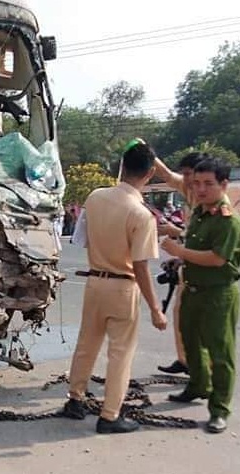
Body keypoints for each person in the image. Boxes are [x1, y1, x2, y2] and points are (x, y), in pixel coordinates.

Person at [61, 140, 167, 434]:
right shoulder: (142, 215)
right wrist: (156, 310)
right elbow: (142, 267)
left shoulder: (95, 198)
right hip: (123, 287)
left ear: (122, 166)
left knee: (86, 345)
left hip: (95, 282)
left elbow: (80, 240)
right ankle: (109, 416)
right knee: (120, 353)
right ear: (148, 175)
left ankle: (75, 400)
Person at [161, 157, 240, 434]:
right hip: (193, 291)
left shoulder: (228, 221)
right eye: (196, 183)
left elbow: (217, 259)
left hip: (217, 295)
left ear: (223, 185)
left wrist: (179, 252)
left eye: (208, 184)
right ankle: (197, 385)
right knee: (192, 344)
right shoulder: (199, 213)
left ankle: (219, 409)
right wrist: (180, 262)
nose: (200, 189)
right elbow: (196, 251)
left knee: (221, 354)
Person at [152, 151, 208, 375]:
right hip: (190, 266)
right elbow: (165, 174)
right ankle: (185, 360)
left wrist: (175, 233)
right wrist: (146, 152)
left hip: (204, 272)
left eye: (188, 175)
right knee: (180, 315)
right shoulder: (189, 190)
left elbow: (205, 240)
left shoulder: (208, 200)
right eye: (183, 175)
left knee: (198, 322)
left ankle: (201, 371)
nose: (184, 179)